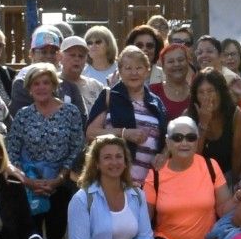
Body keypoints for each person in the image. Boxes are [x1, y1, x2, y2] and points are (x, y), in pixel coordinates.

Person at [144, 115, 234, 239]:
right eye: (177, 137)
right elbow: (145, 218)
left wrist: (240, 197)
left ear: (197, 140)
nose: (184, 142)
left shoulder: (210, 166)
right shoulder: (156, 174)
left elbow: (224, 208)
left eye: (190, 137)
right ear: (167, 142)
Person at [6, 62, 86, 239]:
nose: (41, 87)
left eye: (45, 83)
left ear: (53, 86)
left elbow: (77, 147)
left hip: (61, 182)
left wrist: (58, 179)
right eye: (36, 84)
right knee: (31, 234)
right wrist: (28, 181)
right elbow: (12, 151)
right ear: (29, 89)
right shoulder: (23, 115)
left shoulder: (70, 112)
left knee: (56, 233)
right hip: (29, 184)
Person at [87, 44, 169, 187]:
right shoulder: (109, 96)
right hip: (113, 183)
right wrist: (124, 133)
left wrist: (164, 154)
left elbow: (167, 138)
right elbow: (91, 133)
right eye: (128, 68)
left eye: (139, 68)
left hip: (149, 185)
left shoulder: (156, 102)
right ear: (120, 71)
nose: (134, 73)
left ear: (147, 70)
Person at [187, 67, 241, 180]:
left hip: (226, 176)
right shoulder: (189, 116)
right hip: (197, 177)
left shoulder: (237, 115)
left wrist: (233, 186)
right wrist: (203, 124)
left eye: (211, 91)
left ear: (221, 92)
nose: (206, 97)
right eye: (201, 92)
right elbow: (191, 158)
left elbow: (237, 157)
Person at [7, 26, 66, 109]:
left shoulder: (65, 80)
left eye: (53, 52)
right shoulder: (22, 82)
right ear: (32, 54)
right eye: (43, 52)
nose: (49, 56)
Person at [57, 35, 106, 113]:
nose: (77, 59)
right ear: (60, 57)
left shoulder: (96, 86)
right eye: (72, 55)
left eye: (81, 56)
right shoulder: (51, 83)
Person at [152, 41, 195, 118]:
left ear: (188, 62)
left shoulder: (196, 92)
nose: (176, 64)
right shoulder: (153, 91)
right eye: (171, 61)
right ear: (163, 67)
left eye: (181, 60)